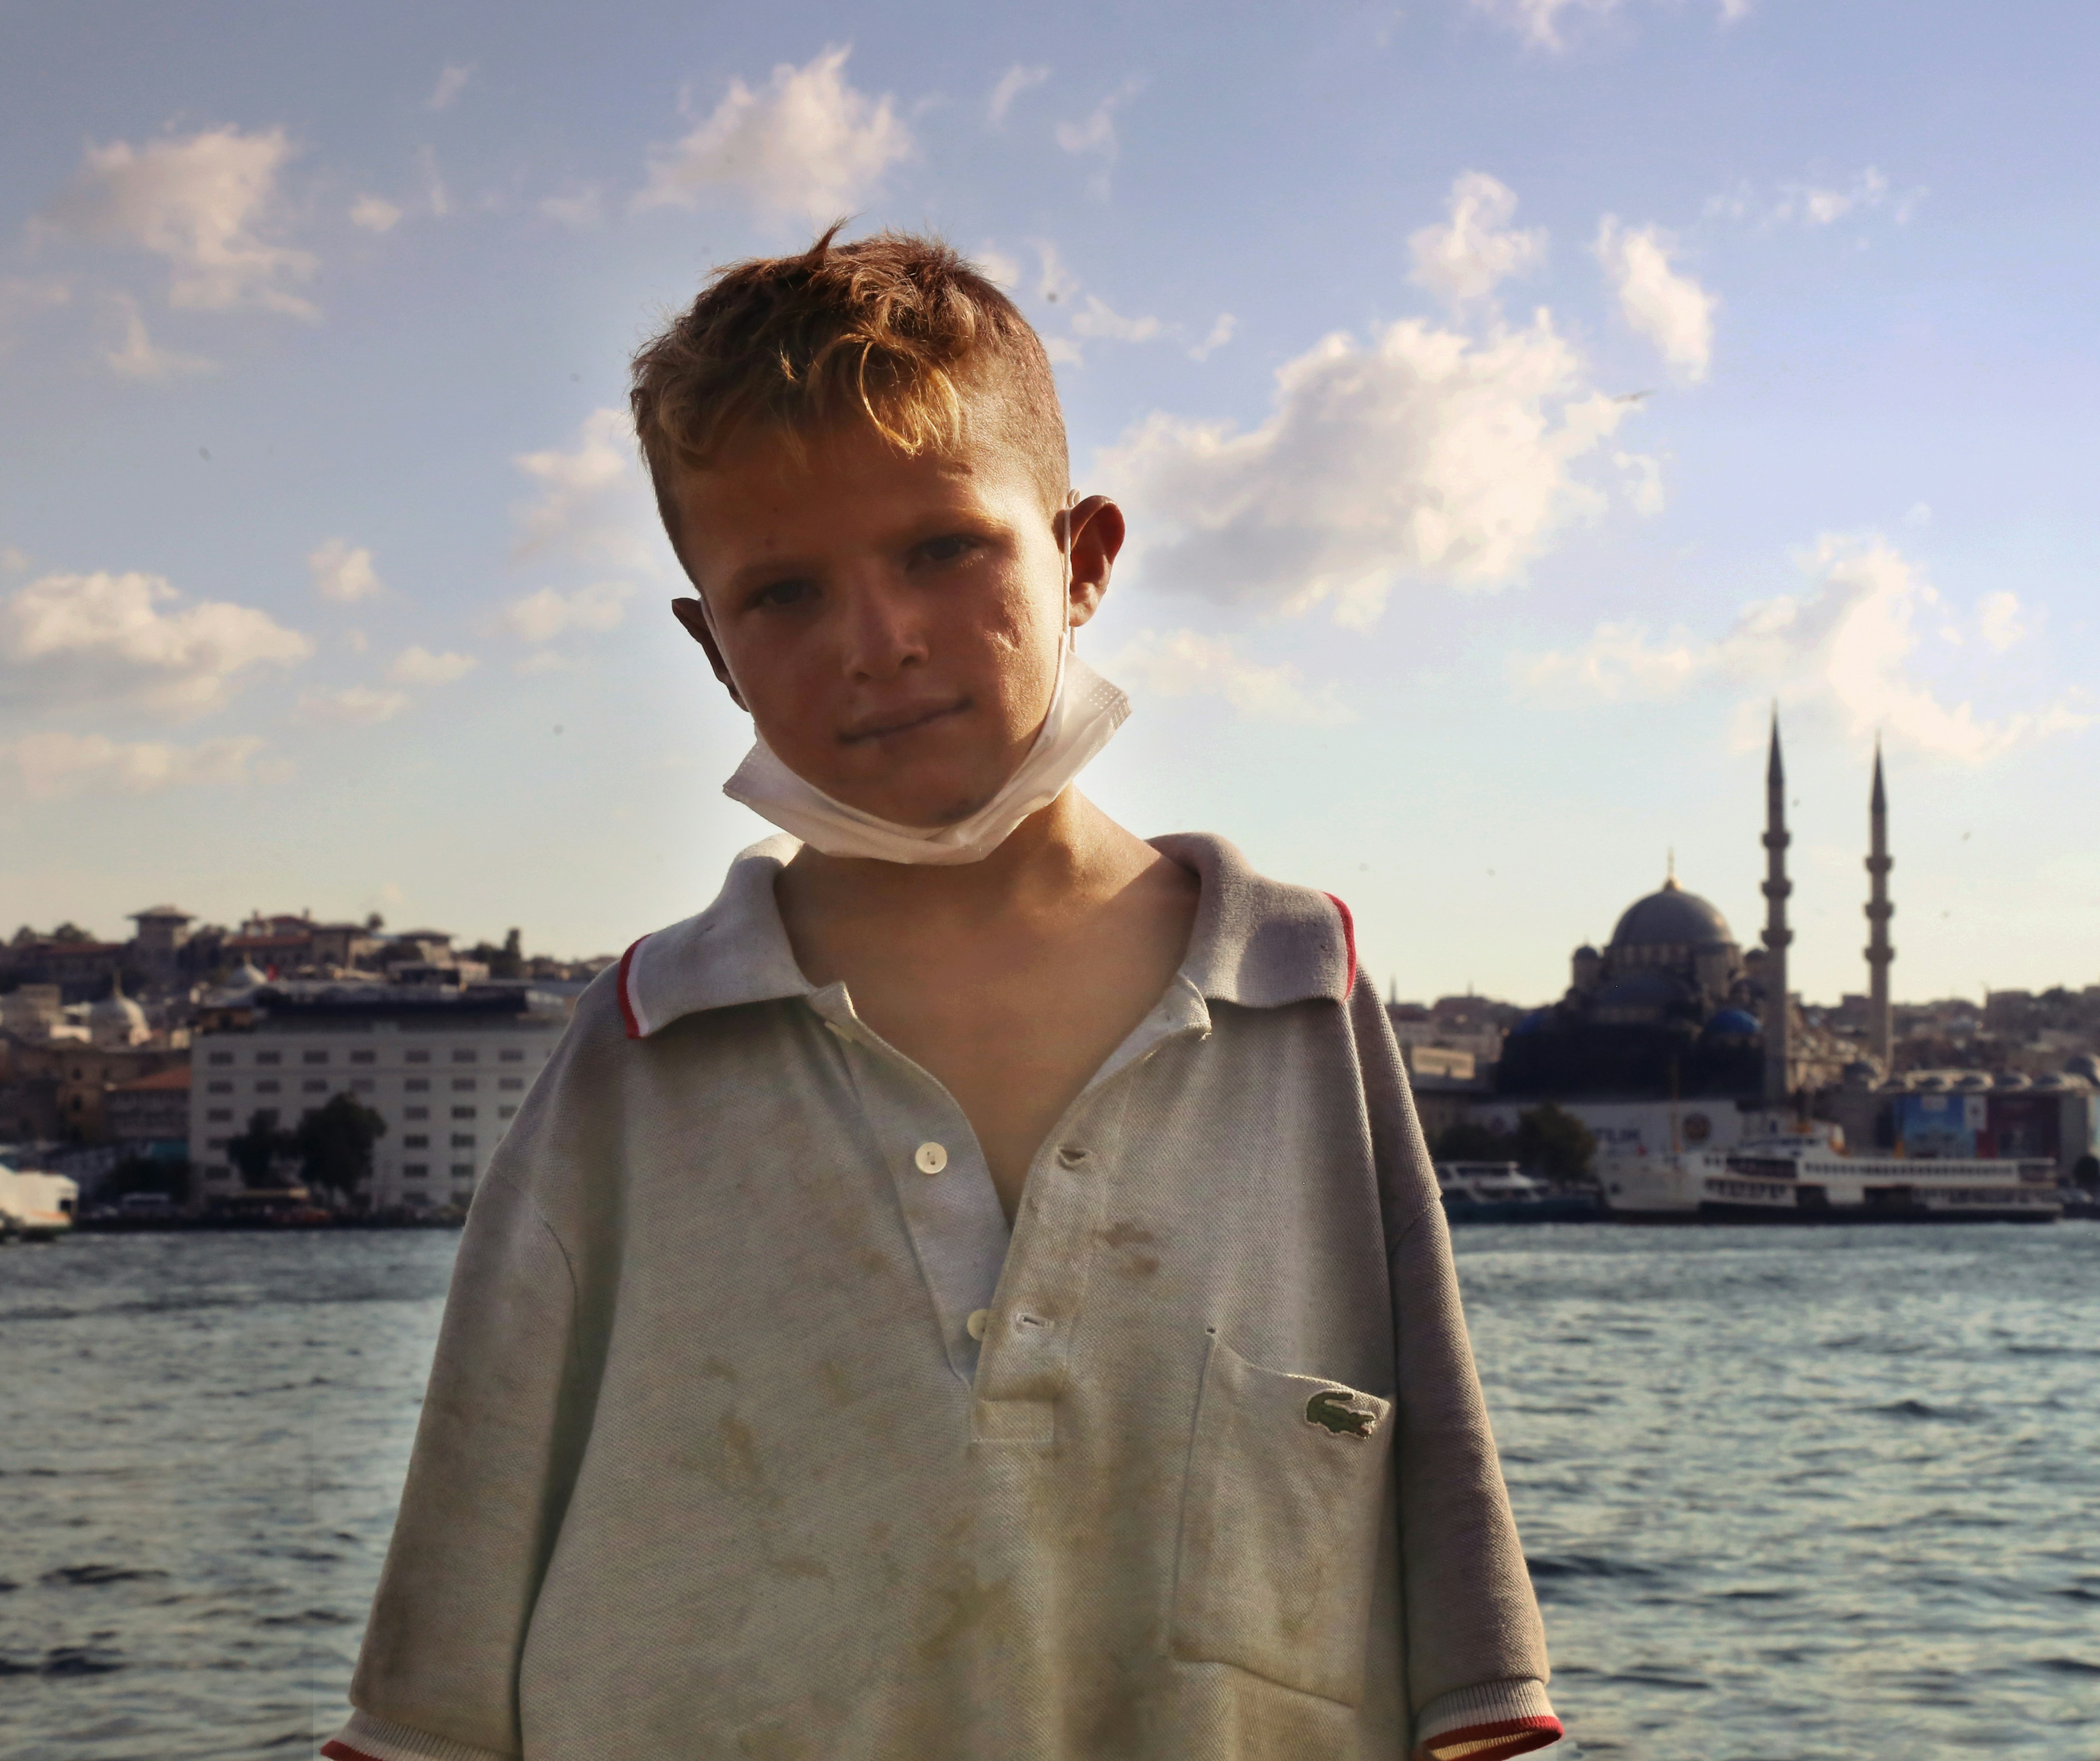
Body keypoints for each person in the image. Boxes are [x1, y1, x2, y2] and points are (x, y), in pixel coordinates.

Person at [320, 229, 1561, 1761]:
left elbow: (1454, 1623)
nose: (878, 640)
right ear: (710, 647)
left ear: (1083, 557)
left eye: (942, 550)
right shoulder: (643, 1049)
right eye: (781, 591)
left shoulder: (1301, 997)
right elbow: (451, 1628)